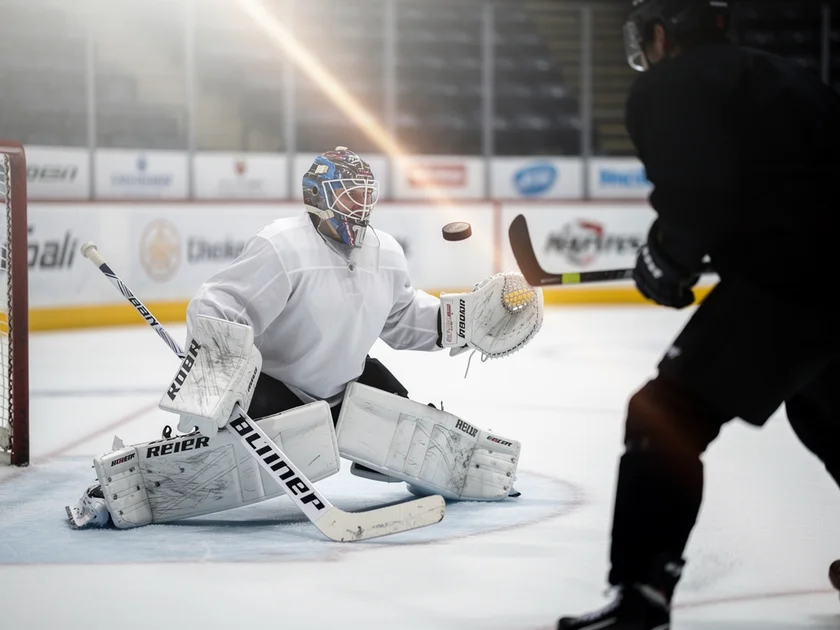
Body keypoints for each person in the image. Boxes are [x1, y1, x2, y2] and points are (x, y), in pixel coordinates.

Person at [66, 146, 542, 530]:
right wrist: (219, 372)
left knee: (414, 434)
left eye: (366, 196)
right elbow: (218, 305)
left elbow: (402, 317)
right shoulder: (283, 246)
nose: (361, 207)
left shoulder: (386, 252)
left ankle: (461, 475)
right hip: (273, 387)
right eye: (349, 196)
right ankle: (122, 488)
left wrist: (459, 322)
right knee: (225, 464)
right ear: (318, 196)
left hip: (345, 386)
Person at [557, 1, 840, 628]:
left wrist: (666, 259)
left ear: (660, 33)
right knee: (826, 414)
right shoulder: (792, 76)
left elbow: (699, 195)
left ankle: (642, 599)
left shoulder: (671, 83)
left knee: (664, 415)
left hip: (795, 285)